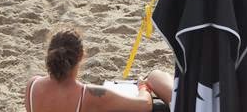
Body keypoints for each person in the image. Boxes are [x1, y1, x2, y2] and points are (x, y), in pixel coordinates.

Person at [23, 28, 161, 112]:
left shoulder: (32, 85)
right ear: (81, 55)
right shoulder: (88, 94)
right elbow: (145, 105)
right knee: (159, 106)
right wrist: (143, 87)